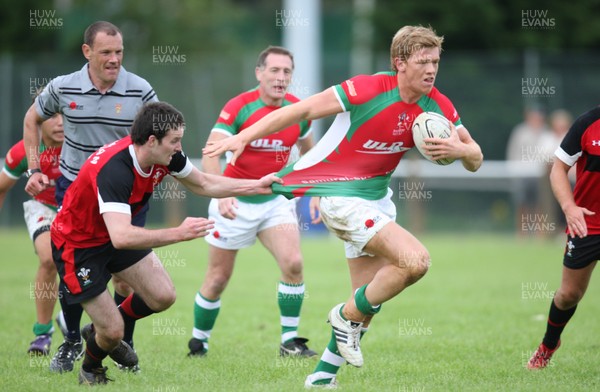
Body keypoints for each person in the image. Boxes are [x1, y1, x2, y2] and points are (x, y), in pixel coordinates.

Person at [204, 25, 483, 388]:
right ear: (399, 63)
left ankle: (322, 377)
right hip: (340, 196)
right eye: (422, 61)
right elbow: (301, 109)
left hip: (377, 199)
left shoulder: (438, 105)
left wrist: (460, 151)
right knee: (415, 262)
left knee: (367, 301)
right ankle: (342, 315)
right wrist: (244, 135)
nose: (431, 70)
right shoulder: (368, 88)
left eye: (435, 61)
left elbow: (475, 156)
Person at [50, 101, 281, 385]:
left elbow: (204, 184)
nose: (179, 147)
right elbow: (122, 237)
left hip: (112, 235)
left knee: (162, 296)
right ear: (151, 140)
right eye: (174, 141)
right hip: (78, 245)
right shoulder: (115, 169)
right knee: (112, 333)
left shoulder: (167, 156)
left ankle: (103, 329)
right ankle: (91, 367)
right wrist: (178, 233)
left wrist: (257, 185)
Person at [22, 20, 158, 373]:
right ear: (87, 52)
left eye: (119, 52)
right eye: (106, 53)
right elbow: (31, 119)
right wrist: (34, 169)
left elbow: (158, 138)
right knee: (74, 271)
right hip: (76, 192)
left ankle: (121, 343)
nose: (114, 59)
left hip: (124, 196)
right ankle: (70, 343)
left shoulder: (140, 91)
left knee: (125, 279)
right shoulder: (63, 87)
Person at [187, 46, 317, 359]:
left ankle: (290, 343)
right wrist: (223, 192)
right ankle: (198, 342)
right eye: (274, 70)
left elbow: (310, 151)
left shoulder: (298, 110)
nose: (281, 77)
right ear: (259, 73)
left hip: (274, 202)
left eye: (287, 72)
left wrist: (315, 192)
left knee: (294, 263)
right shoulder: (240, 107)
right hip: (235, 202)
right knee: (217, 279)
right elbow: (211, 153)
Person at [527, 106, 598, 369]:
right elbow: (558, 170)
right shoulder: (587, 123)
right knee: (569, 294)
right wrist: (569, 208)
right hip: (587, 224)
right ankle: (548, 345)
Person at [0, 112, 64, 355]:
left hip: (76, 210)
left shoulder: (82, 145)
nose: (60, 123)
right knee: (48, 258)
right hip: (43, 207)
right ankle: (42, 333)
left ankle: (71, 320)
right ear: (37, 121)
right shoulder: (24, 151)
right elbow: (1, 188)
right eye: (52, 117)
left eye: (65, 116)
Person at [506, 106, 553, 236]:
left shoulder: (547, 133)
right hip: (522, 174)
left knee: (540, 204)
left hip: (540, 175)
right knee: (522, 204)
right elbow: (513, 152)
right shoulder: (520, 132)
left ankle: (540, 233)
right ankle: (521, 232)